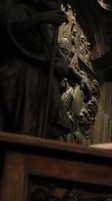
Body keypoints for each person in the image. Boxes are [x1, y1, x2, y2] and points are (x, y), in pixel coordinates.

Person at [0, 0, 91, 138]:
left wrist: (80, 78)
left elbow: (57, 59)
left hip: (43, 86)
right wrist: (42, 19)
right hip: (25, 79)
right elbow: (9, 28)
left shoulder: (47, 30)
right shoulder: (21, 11)